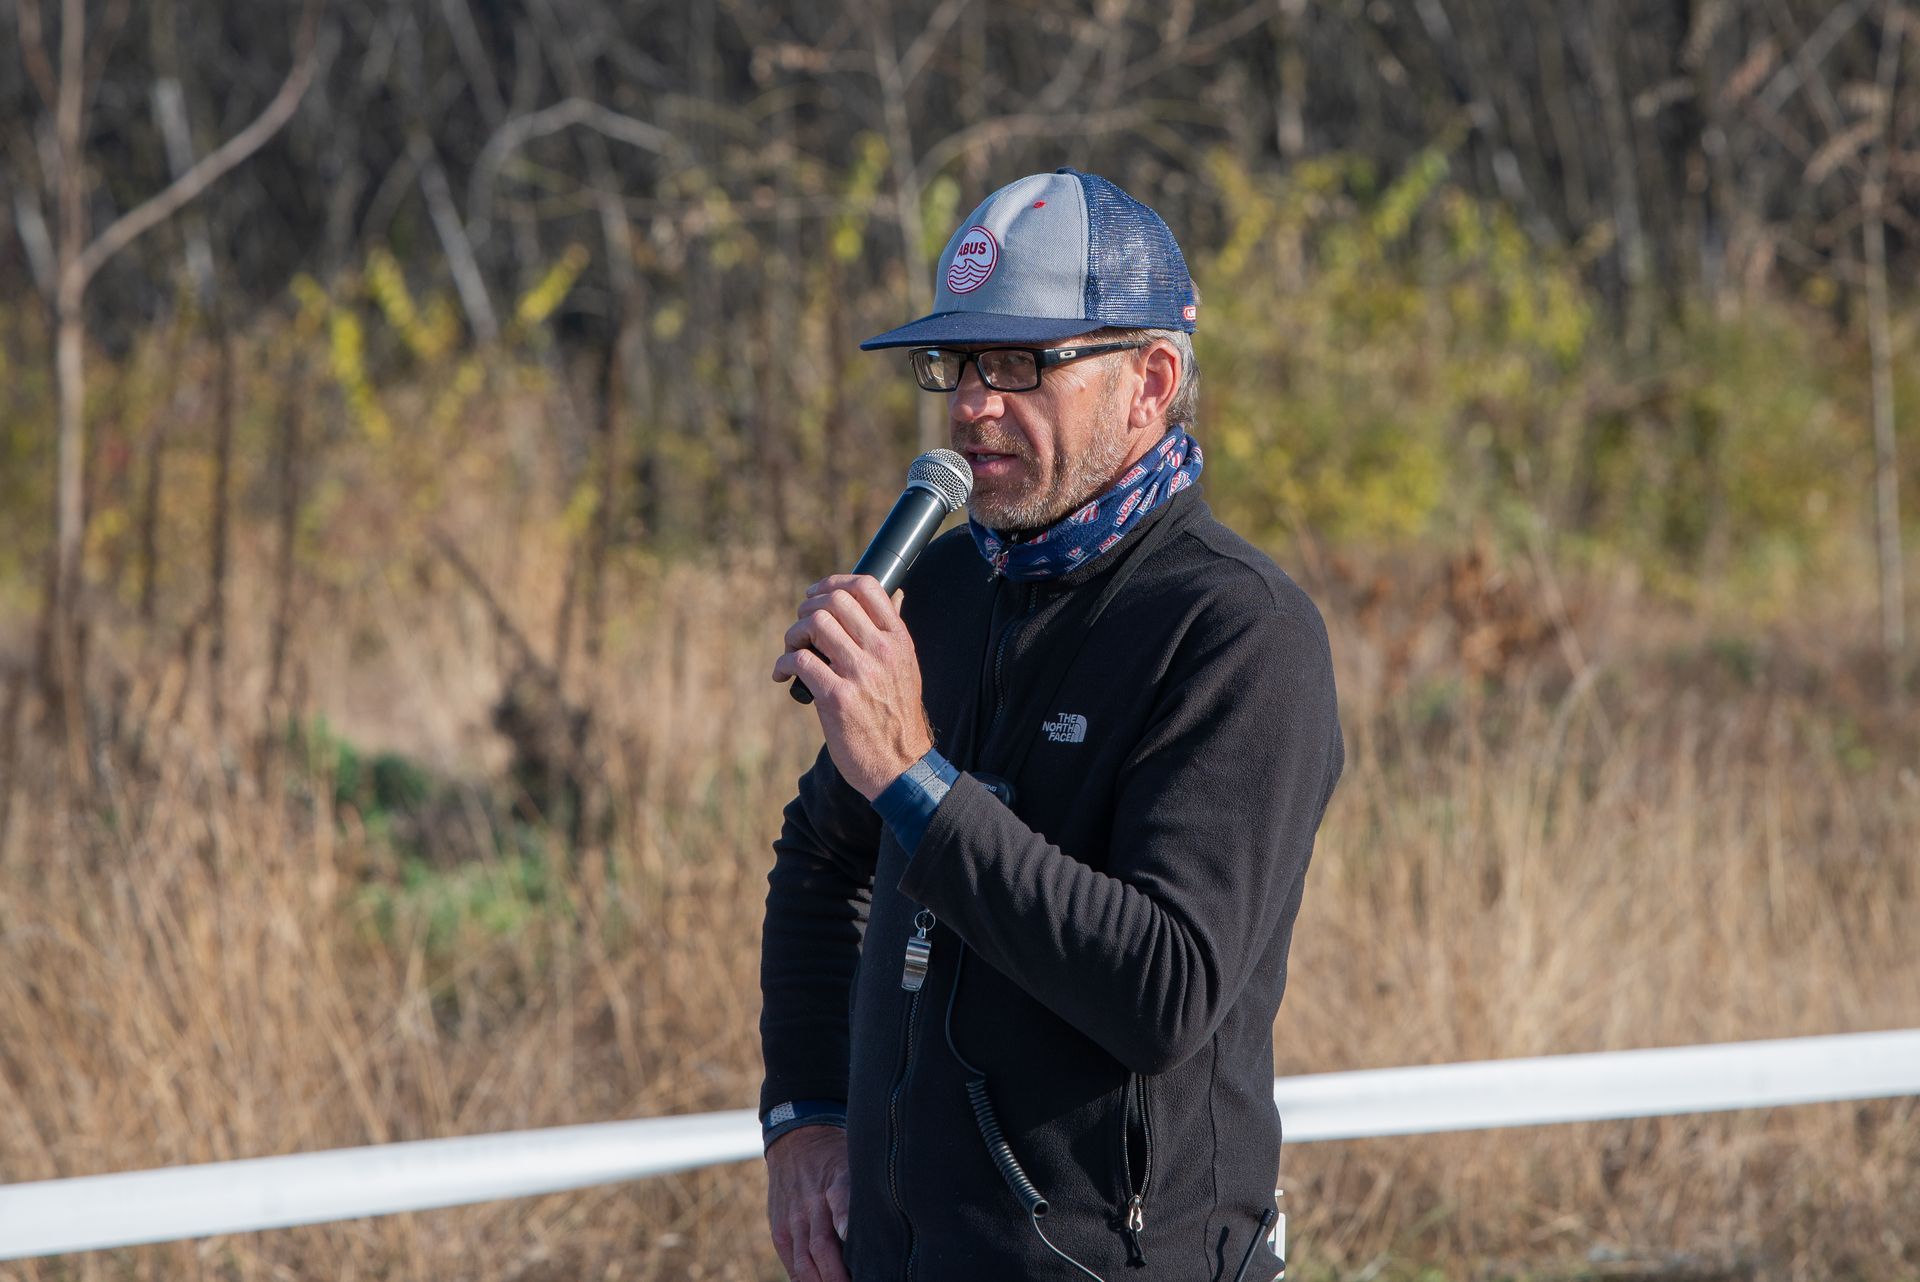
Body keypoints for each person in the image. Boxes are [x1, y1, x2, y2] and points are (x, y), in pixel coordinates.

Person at [760, 168, 1343, 1282]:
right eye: (959, 363)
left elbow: (1165, 988)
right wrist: (806, 1116)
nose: (972, 404)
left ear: (1149, 381)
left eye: (1020, 363)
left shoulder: (1240, 632)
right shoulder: (944, 585)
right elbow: (823, 856)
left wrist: (916, 778)